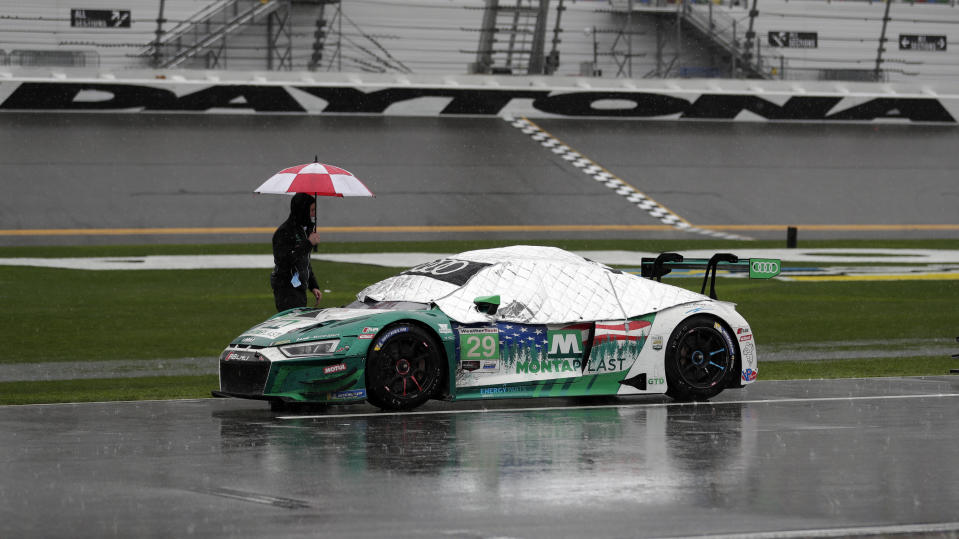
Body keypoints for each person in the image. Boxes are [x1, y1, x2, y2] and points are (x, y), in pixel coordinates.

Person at [271, 192, 322, 312]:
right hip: (286, 288)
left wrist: (313, 285)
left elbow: (304, 262)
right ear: (302, 211)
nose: (314, 214)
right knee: (294, 326)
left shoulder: (304, 230)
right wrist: (308, 244)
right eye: (312, 210)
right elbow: (284, 262)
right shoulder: (284, 232)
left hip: (299, 287)